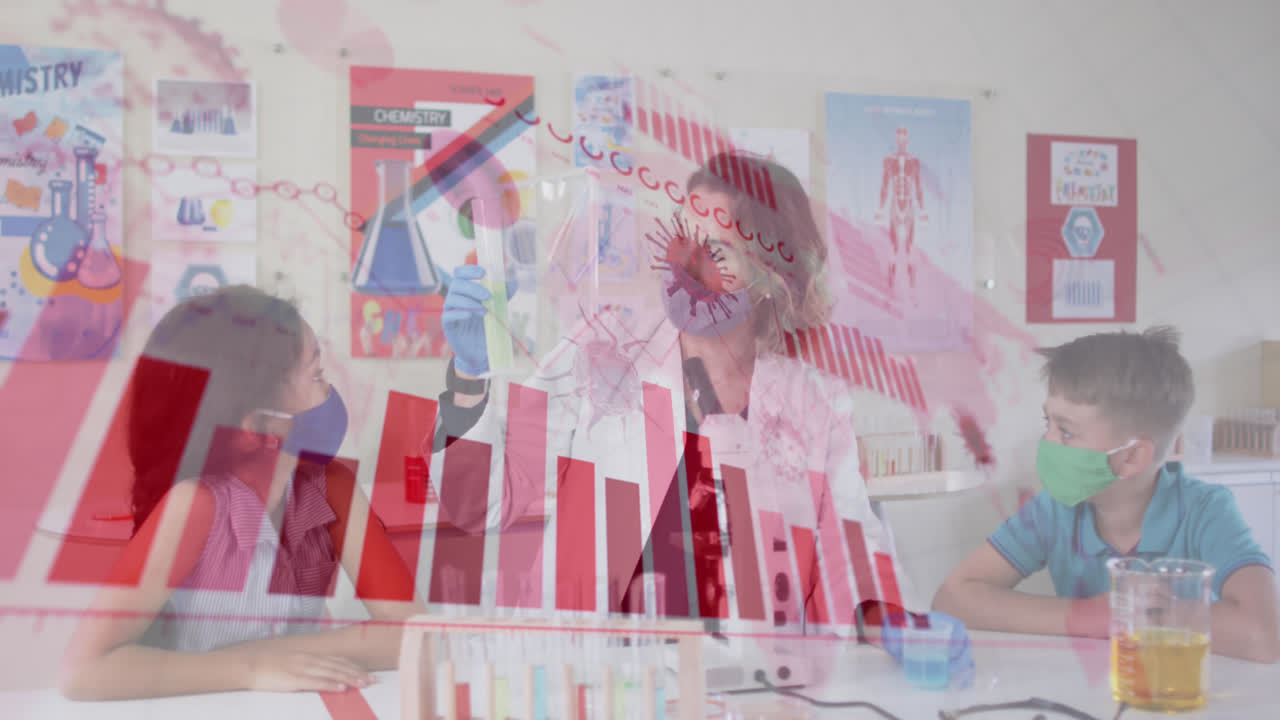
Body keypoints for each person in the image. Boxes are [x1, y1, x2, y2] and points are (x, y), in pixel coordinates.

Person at [431, 152, 974, 686]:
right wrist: (468, 377)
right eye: (683, 241)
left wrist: (896, 624)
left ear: (772, 275)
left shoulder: (816, 402)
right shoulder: (600, 357)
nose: (689, 266)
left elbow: (847, 550)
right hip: (601, 678)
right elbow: (479, 502)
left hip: (744, 681)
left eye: (717, 250)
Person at [60, 286, 422, 700]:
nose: (331, 394)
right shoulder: (196, 505)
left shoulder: (333, 487)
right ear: (258, 425)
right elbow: (83, 671)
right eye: (317, 376)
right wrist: (249, 666)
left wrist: (270, 653)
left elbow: (412, 631)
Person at [934, 326, 1280, 663]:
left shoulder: (1205, 510)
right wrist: (1092, 615)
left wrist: (1147, 613)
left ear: (1131, 457)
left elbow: (1266, 636)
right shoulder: (1055, 509)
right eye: (1048, 424)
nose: (1047, 442)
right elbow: (953, 597)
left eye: (1066, 432)